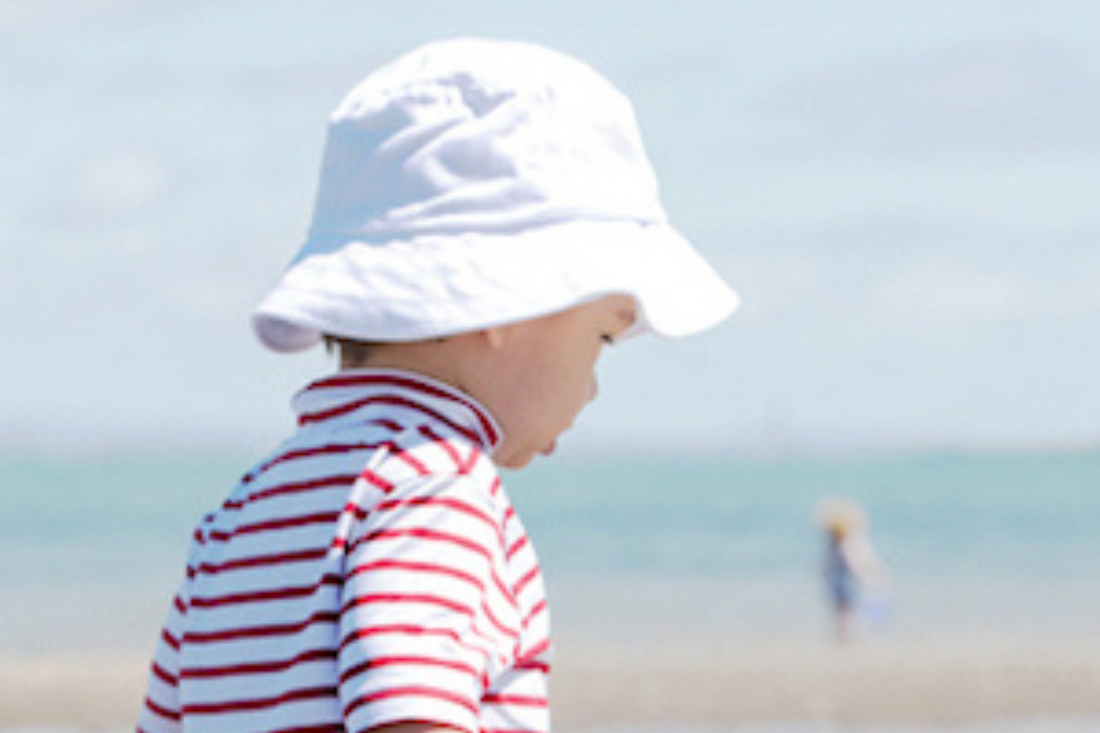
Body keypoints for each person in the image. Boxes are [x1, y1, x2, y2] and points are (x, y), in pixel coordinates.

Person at [136, 38, 738, 733]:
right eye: (601, 336)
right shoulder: (432, 490)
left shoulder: (242, 511)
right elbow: (413, 718)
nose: (595, 385)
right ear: (508, 304)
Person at [815, 497, 889, 643]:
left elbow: (825, 565)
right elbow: (856, 563)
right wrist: (871, 575)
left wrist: (825, 577)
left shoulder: (834, 545)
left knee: (841, 610)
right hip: (846, 581)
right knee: (848, 609)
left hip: (836, 582)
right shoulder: (848, 544)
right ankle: (849, 637)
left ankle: (843, 637)